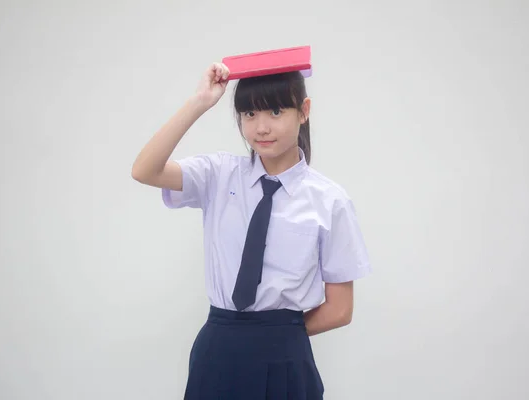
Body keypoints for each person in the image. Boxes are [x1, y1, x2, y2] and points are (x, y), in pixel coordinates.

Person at [132, 61, 371, 399]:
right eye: (248, 114)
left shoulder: (330, 201)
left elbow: (340, 309)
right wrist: (200, 101)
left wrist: (278, 332)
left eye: (275, 111)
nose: (261, 128)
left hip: (286, 356)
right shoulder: (218, 175)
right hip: (217, 351)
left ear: (304, 111)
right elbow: (145, 170)